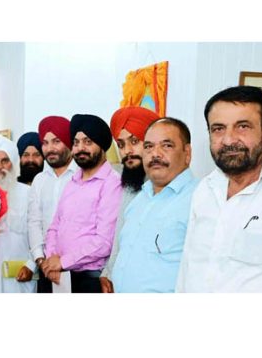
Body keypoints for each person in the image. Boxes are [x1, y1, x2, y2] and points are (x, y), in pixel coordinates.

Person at [177, 86, 262, 292]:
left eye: (242, 126)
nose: (229, 140)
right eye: (218, 129)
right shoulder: (205, 189)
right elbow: (189, 266)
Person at [110, 118, 198, 292]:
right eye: (149, 146)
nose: (155, 154)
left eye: (166, 145)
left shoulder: (200, 200)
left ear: (187, 153)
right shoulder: (139, 199)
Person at [42, 114, 122, 293]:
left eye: (87, 142)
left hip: (89, 279)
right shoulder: (73, 181)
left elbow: (103, 242)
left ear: (101, 146)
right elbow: (55, 226)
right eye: (76, 143)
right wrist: (52, 259)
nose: (80, 148)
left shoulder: (111, 183)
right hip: (59, 275)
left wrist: (62, 262)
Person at [99, 106, 160, 293]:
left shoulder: (167, 188)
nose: (127, 151)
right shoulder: (128, 185)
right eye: (121, 144)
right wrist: (107, 272)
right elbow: (121, 235)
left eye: (135, 141)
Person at [0, 136, 35, 293]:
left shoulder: (29, 194)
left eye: (5, 161)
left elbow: (40, 236)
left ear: (14, 163)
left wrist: (31, 265)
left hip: (18, 276)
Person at [28, 116, 76, 294]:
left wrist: (63, 262)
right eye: (45, 143)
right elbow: (34, 222)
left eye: (56, 141)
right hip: (46, 270)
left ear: (69, 143)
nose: (50, 148)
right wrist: (41, 261)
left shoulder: (82, 176)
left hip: (79, 269)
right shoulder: (39, 180)